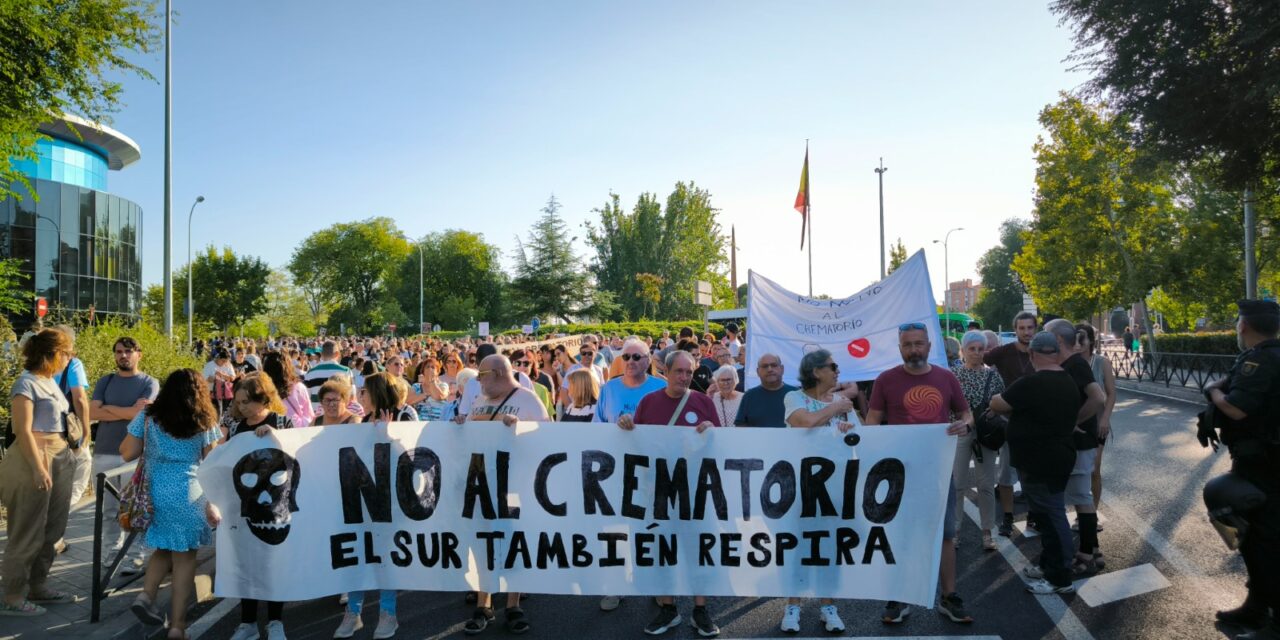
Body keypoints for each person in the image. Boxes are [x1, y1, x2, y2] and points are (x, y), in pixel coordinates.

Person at [863, 322, 974, 625]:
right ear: (900, 348)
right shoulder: (886, 380)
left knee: (945, 535)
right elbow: (873, 420)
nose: (913, 350)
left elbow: (965, 413)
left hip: (938, 471)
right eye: (907, 345)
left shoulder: (946, 378)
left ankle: (949, 597)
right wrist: (868, 446)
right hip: (898, 474)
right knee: (899, 535)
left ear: (928, 345)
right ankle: (899, 597)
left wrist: (966, 424)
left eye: (918, 344)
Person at [617, 350, 721, 637]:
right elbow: (637, 444)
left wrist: (712, 430)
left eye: (689, 372)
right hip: (658, 490)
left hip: (695, 489)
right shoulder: (649, 402)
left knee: (696, 548)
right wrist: (626, 428)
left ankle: (700, 610)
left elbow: (720, 446)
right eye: (679, 372)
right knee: (663, 548)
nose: (685, 377)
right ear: (667, 372)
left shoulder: (702, 402)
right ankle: (668, 608)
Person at [122, 369, 221, 639]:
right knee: (185, 559)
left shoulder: (149, 415)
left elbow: (127, 452)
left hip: (156, 492)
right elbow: (211, 464)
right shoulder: (205, 419)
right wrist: (214, 503)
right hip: (190, 492)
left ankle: (146, 595)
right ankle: (177, 626)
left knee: (163, 547)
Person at [1204, 300, 1280, 639]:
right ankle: (1257, 604)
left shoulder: (1260, 360)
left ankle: (1276, 624)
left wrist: (1214, 394)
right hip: (1263, 461)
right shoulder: (1267, 357)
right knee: (1253, 536)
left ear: (1243, 327)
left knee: (1265, 539)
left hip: (1265, 464)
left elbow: (1236, 409)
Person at [457, 354, 548, 635]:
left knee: (512, 543)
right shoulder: (481, 400)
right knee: (484, 543)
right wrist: (461, 425)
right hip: (482, 481)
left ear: (497, 373)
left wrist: (521, 431)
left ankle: (512, 604)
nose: (478, 382)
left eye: (482, 375)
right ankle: (484, 604)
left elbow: (548, 440)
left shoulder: (528, 399)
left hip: (515, 486)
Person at [989, 332, 1081, 595]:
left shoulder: (1031, 382)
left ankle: (1060, 578)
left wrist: (997, 398)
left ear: (1032, 354)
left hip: (1040, 462)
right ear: (1055, 353)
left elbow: (998, 403)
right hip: (1059, 456)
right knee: (1047, 515)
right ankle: (1049, 564)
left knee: (1052, 518)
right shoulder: (1067, 380)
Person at [778, 349, 856, 633]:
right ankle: (793, 606)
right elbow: (805, 423)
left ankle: (827, 606)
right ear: (815, 372)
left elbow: (857, 441)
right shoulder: (794, 398)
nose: (837, 371)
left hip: (833, 487)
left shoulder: (843, 402)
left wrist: (846, 428)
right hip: (799, 486)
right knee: (798, 546)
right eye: (832, 366)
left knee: (829, 546)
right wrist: (837, 408)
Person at [0, 329, 77, 617]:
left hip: (58, 454)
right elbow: (22, 429)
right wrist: (37, 467)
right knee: (27, 531)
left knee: (53, 528)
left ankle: (38, 586)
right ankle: (12, 595)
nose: (68, 358)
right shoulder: (26, 382)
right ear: (52, 354)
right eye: (66, 352)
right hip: (34, 456)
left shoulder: (49, 381)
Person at [334, 373, 407, 639]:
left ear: (377, 393)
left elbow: (414, 458)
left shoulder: (403, 417)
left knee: (384, 559)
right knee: (360, 556)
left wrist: (388, 438)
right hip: (362, 500)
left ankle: (388, 613)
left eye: (364, 391)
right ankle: (353, 613)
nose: (360, 396)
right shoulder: (363, 420)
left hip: (390, 504)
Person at [223, 374, 294, 640]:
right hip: (245, 508)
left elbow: (298, 455)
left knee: (274, 564)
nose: (241, 407)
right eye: (238, 402)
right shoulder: (235, 427)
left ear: (262, 398)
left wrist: (277, 436)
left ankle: (275, 621)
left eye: (246, 402)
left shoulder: (282, 421)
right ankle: (247, 623)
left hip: (277, 509)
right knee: (247, 564)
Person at [88, 337, 161, 570]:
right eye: (119, 351)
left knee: (135, 508)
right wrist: (128, 411)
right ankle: (111, 552)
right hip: (103, 452)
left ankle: (135, 555)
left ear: (139, 354)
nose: (123, 356)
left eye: (128, 351)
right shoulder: (105, 381)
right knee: (108, 509)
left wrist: (107, 409)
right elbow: (91, 412)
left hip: (134, 454)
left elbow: (141, 415)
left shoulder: (149, 382)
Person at [1044, 318, 1107, 574]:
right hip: (1076, 441)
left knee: (1081, 497)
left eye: (1047, 336)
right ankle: (1090, 550)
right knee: (1080, 497)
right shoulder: (1069, 363)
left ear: (1058, 340)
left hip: (1081, 441)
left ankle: (1086, 552)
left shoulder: (1076, 364)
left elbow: (1099, 397)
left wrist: (1073, 421)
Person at [984, 311, 1039, 537]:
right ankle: (1007, 517)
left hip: (1036, 423)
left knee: (1033, 473)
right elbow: (979, 356)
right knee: (1006, 473)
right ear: (1015, 330)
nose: (1026, 332)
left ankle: (1034, 517)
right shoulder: (1003, 352)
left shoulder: (1043, 353)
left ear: (1036, 329)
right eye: (1021, 328)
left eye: (1030, 328)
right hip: (1008, 421)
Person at [951, 330, 1004, 551]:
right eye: (971, 349)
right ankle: (954, 531)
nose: (976, 353)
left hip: (985, 434)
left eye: (980, 349)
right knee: (957, 485)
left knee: (986, 485)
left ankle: (987, 532)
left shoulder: (993, 375)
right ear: (963, 350)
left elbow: (1000, 404)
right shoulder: (953, 375)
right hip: (960, 434)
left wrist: (990, 413)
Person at [1075, 324, 1115, 517]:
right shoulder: (1070, 363)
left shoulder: (1101, 362)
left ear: (1091, 340)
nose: (1078, 342)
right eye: (1075, 338)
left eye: (1082, 338)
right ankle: (1081, 512)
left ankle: (1093, 513)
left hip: (1098, 423)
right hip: (1076, 423)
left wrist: (1105, 419)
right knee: (1078, 471)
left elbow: (1111, 394)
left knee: (1093, 468)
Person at [52, 326, 91, 522]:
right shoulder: (72, 364)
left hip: (41, 431)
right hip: (67, 431)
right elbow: (80, 399)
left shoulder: (34, 365)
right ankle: (56, 522)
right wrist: (86, 429)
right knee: (83, 467)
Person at [734, 354, 797, 428]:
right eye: (765, 366)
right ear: (758, 371)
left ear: (782, 369)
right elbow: (740, 426)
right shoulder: (749, 396)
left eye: (774, 365)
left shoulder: (796, 394)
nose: (770, 369)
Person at [262, 352, 314, 428]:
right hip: (297, 430)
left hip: (270, 430)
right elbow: (309, 414)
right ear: (289, 366)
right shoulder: (299, 387)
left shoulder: (262, 390)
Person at [303, 340, 351, 410]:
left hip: (316, 415)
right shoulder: (346, 371)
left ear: (321, 354)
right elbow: (351, 397)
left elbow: (306, 398)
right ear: (337, 354)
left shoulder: (310, 373)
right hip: (339, 414)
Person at [204, 350, 236, 416]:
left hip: (226, 393)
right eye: (223, 361)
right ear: (218, 358)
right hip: (212, 393)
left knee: (224, 412)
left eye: (226, 361)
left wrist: (221, 375)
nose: (224, 363)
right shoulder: (209, 365)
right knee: (215, 412)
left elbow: (232, 378)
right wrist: (217, 378)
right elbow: (206, 378)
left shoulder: (228, 365)